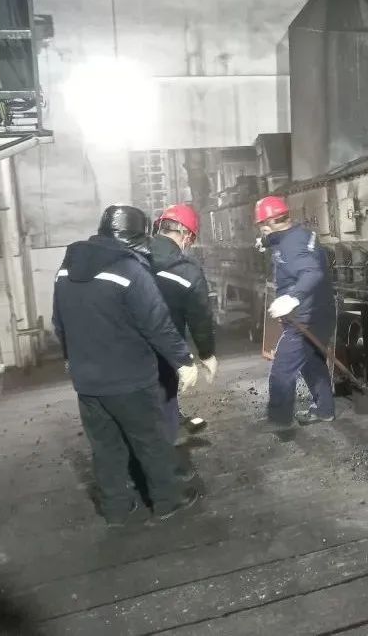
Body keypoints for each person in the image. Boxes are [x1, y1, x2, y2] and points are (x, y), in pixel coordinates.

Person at [53, 205, 201, 526]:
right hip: (131, 379)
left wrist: (70, 358)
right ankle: (167, 501)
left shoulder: (66, 268)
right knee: (151, 442)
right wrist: (183, 360)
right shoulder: (130, 269)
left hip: (87, 382)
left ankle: (116, 509)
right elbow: (157, 323)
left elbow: (60, 323)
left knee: (105, 448)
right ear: (136, 238)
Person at [255, 195, 337, 427]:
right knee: (312, 363)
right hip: (318, 312)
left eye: (262, 225)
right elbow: (281, 238)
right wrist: (266, 242)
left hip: (307, 318)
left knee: (282, 369)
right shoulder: (298, 233)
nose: (262, 229)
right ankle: (324, 410)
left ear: (269, 222)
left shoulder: (292, 246)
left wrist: (293, 297)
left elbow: (312, 273)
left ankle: (278, 421)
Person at [150, 204, 217, 452]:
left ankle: (169, 420)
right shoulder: (186, 269)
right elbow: (200, 317)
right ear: (186, 234)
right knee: (164, 388)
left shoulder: (134, 258)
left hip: (126, 345)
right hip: (166, 345)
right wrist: (206, 354)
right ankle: (167, 450)